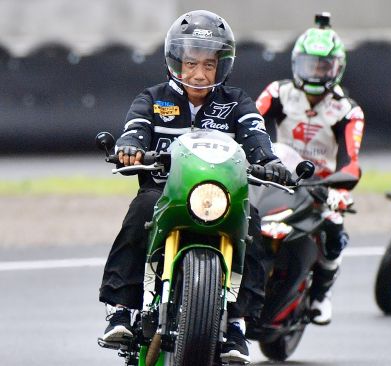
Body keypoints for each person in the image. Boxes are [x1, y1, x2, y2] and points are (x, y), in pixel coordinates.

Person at [98, 10, 292, 364]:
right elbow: (136, 127)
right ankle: (120, 309)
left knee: (253, 221)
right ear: (175, 62)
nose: (199, 73)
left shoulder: (237, 103)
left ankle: (236, 324)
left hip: (221, 196)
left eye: (208, 64)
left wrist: (270, 161)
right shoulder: (153, 98)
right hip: (165, 193)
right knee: (140, 210)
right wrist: (129, 146)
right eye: (191, 63)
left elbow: (256, 136)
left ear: (223, 66)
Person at [253, 12, 365, 325]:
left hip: (319, 183)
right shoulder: (277, 92)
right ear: (295, 63)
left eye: (323, 66)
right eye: (309, 65)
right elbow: (249, 125)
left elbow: (352, 161)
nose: (315, 73)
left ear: (337, 68)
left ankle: (320, 295)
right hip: (277, 171)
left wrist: (342, 184)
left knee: (334, 227)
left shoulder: (349, 110)